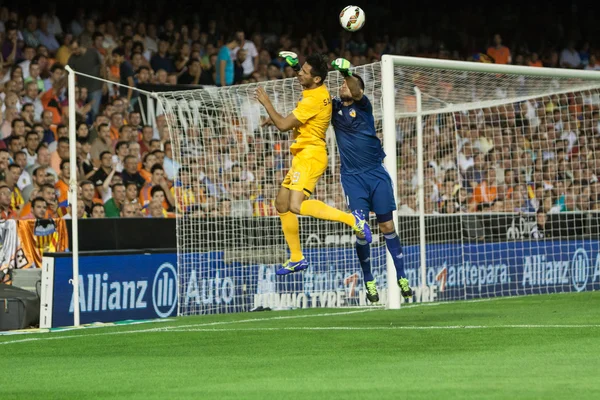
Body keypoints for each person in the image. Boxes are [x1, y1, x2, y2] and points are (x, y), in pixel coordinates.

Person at [255, 52, 371, 275]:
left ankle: (353, 220)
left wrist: (267, 103)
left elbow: (282, 125)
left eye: (304, 72)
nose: (300, 74)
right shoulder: (316, 88)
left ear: (316, 78)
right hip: (303, 154)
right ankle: (296, 258)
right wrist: (296, 65)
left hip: (310, 155)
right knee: (281, 203)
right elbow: (305, 80)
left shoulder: (313, 99)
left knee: (296, 206)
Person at [330, 57, 413, 302]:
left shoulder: (363, 106)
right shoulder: (333, 108)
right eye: (342, 83)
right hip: (353, 178)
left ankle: (402, 277)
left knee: (387, 227)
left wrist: (347, 72)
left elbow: (354, 88)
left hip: (376, 173)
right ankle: (369, 280)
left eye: (348, 84)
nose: (344, 86)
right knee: (362, 231)